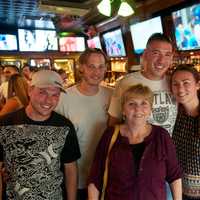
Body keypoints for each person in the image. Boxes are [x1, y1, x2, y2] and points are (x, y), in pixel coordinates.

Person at [88, 84, 182, 200]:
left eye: (144, 103)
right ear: (123, 110)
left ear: (150, 109)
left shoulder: (161, 136)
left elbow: (174, 176)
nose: (138, 109)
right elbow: (94, 179)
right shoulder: (110, 135)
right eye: (132, 104)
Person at [0, 70, 81, 200]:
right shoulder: (5, 124)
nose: (48, 100)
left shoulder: (65, 126)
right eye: (42, 92)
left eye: (55, 95)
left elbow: (70, 169)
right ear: (30, 91)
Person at [55, 48, 113, 200]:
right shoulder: (64, 98)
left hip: (105, 176)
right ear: (81, 68)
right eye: (91, 66)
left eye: (101, 66)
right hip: (75, 178)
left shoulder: (112, 95)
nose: (97, 72)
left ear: (106, 68)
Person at [108, 33, 177, 135]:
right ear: (145, 54)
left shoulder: (175, 83)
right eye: (156, 53)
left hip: (166, 148)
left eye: (167, 54)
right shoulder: (126, 82)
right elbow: (114, 121)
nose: (161, 60)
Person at [171, 64, 200, 200]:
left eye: (186, 83)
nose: (180, 89)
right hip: (178, 191)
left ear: (198, 85)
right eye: (175, 84)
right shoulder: (174, 115)